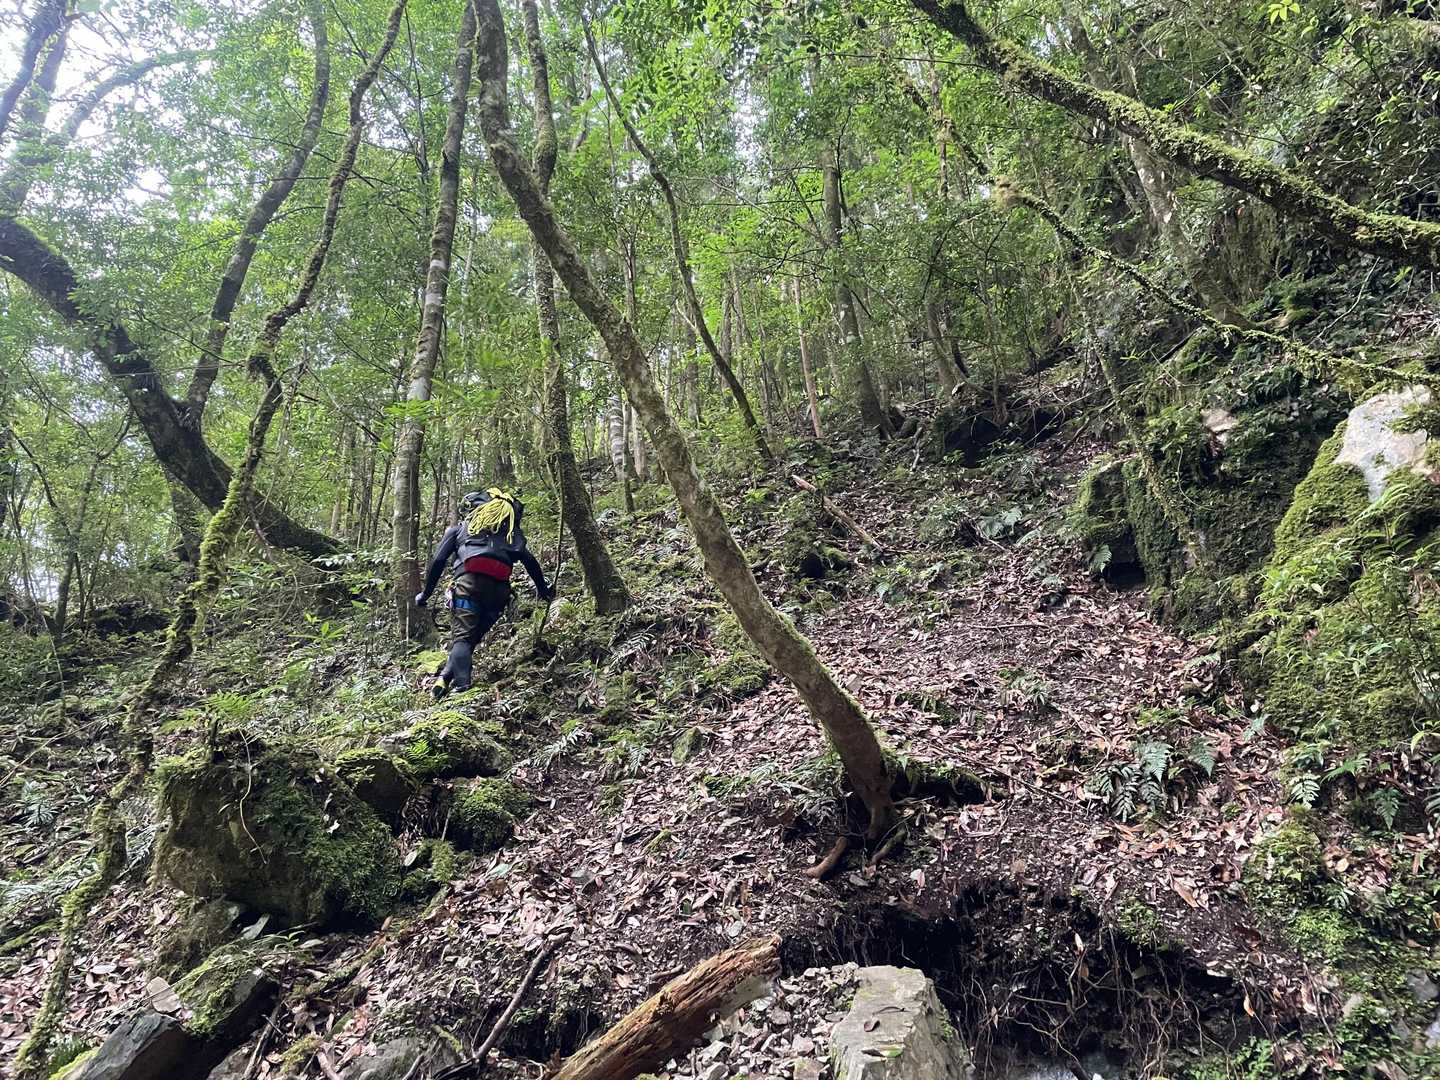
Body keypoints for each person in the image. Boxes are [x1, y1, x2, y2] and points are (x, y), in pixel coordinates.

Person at [415, 488, 555, 698]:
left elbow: (438, 561)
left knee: (462, 639)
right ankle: (444, 678)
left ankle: (463, 691)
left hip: (468, 586)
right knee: (470, 639)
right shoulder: (510, 535)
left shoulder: (459, 530)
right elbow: (530, 562)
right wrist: (543, 590)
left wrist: (425, 595)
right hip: (499, 594)